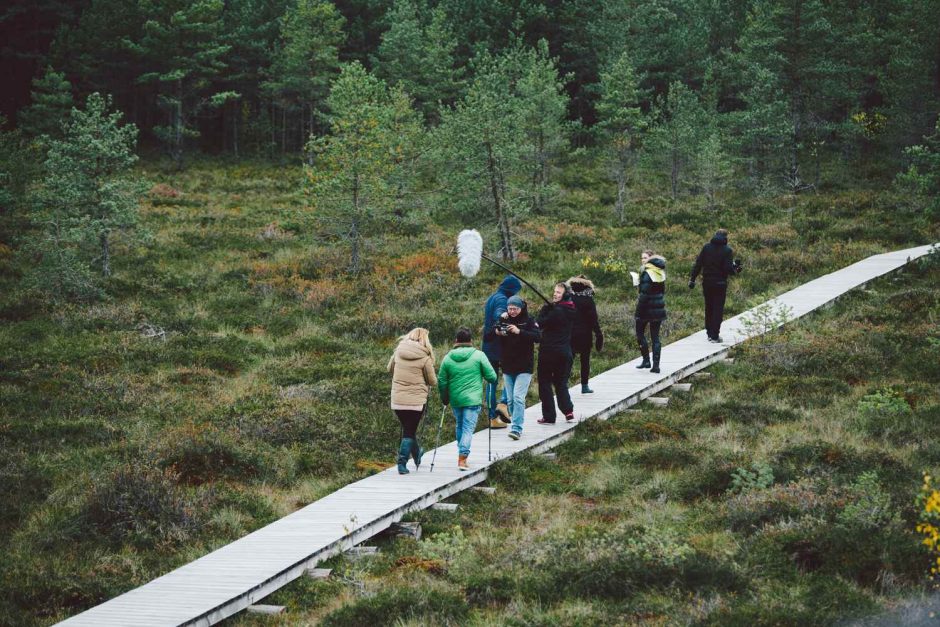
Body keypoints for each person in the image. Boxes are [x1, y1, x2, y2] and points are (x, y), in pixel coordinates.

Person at [438, 327, 498, 471]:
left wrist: (445, 398)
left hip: (456, 399)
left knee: (460, 425)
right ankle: (462, 458)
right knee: (467, 428)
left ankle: (462, 451)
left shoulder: (447, 358)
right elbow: (492, 377)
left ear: (456, 341)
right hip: (472, 399)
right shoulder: (479, 355)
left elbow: (442, 381)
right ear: (471, 340)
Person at [387, 328, 438, 474]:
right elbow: (432, 381)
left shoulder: (398, 353)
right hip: (416, 402)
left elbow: (389, 368)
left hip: (397, 400)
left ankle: (417, 454)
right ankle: (401, 464)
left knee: (409, 429)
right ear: (424, 340)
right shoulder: (425, 358)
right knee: (409, 431)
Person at [495, 295, 541, 440]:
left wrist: (519, 331)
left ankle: (516, 428)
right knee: (509, 401)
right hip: (508, 365)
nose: (512, 311)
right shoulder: (504, 318)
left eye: (515, 309)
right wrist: (498, 331)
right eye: (510, 309)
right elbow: (494, 331)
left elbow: (538, 337)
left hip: (524, 366)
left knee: (518, 397)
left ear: (521, 308)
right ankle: (516, 421)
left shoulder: (529, 321)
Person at [482, 275, 522, 429]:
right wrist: (502, 316)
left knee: (491, 381)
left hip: (488, 345)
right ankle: (503, 404)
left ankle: (492, 417)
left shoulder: (493, 297)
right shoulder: (502, 299)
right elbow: (498, 314)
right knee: (512, 374)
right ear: (511, 290)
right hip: (500, 346)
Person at [689, 228, 742, 343]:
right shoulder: (727, 250)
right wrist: (736, 270)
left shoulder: (706, 248)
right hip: (720, 283)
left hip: (707, 282)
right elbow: (728, 269)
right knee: (718, 309)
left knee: (709, 307)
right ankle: (715, 335)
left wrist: (692, 279)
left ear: (715, 235)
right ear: (726, 237)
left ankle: (709, 333)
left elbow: (698, 264)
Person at [536, 283, 578, 424]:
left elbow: (540, 322)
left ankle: (549, 416)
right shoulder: (571, 308)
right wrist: (552, 307)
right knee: (561, 383)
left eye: (558, 293)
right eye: (554, 291)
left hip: (549, 352)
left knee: (544, 383)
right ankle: (568, 411)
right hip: (565, 352)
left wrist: (546, 308)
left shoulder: (556, 311)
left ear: (565, 295)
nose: (555, 294)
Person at [566, 275, 603, 394]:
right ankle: (584, 386)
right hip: (585, 334)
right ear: (587, 285)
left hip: (569, 333)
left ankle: (563, 384)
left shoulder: (568, 298)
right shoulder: (588, 299)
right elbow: (593, 319)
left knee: (568, 360)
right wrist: (598, 334)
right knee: (585, 360)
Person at [635, 250, 667, 374]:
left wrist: (638, 311)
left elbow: (644, 294)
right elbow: (662, 291)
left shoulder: (647, 273)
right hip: (659, 308)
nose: (642, 260)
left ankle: (646, 360)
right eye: (641, 257)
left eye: (645, 258)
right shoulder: (660, 272)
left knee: (640, 333)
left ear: (650, 259)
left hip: (646, 309)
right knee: (655, 337)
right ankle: (656, 366)